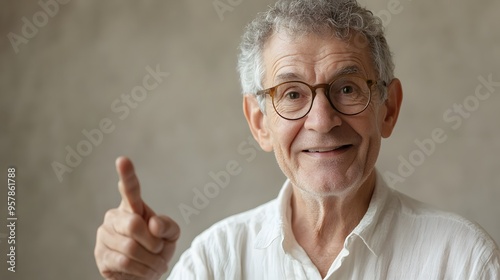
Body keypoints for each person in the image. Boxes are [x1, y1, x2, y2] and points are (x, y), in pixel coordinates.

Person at [94, 0, 500, 279]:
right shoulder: (216, 261)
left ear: (388, 108)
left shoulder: (464, 260)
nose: (322, 121)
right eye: (291, 94)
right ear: (259, 122)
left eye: (347, 88)